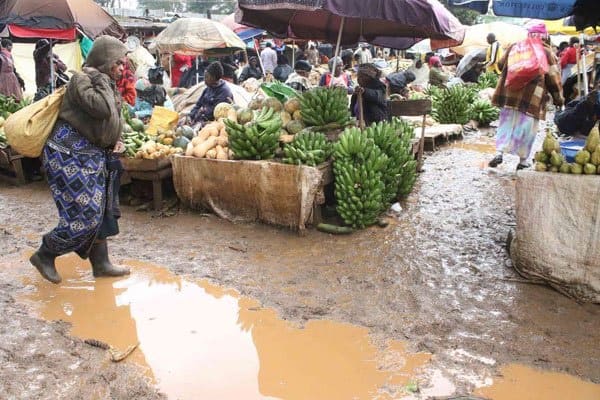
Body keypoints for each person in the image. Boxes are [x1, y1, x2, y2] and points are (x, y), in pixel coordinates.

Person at [30, 35, 131, 284]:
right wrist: (99, 77)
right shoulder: (81, 79)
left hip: (92, 155)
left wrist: (116, 139)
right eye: (118, 63)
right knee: (85, 217)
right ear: (105, 61)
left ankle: (101, 264)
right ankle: (45, 253)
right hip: (67, 156)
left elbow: (114, 117)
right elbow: (101, 108)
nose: (121, 69)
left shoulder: (105, 83)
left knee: (100, 211)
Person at [489, 23, 564, 171]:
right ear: (545, 36)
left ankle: (499, 152)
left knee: (507, 123)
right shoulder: (547, 52)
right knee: (527, 127)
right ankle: (523, 160)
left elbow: (500, 63)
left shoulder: (515, 47)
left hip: (509, 93)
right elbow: (554, 79)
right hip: (531, 99)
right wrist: (559, 100)